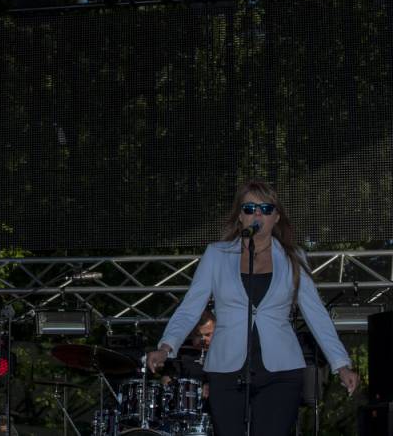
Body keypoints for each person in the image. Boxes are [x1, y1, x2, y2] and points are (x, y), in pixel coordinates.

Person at [146, 180, 359, 436]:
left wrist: (341, 364)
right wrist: (166, 347)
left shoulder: (293, 258)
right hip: (226, 369)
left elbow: (316, 314)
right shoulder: (217, 255)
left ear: (276, 217)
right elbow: (190, 307)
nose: (257, 214)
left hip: (281, 371)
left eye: (265, 209)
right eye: (249, 208)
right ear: (240, 216)